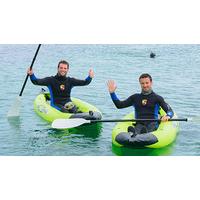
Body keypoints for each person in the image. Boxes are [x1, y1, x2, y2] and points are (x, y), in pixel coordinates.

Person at [107, 73, 174, 136]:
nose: (145, 85)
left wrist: (168, 116)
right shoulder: (135, 97)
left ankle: (143, 134)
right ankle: (133, 133)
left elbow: (170, 111)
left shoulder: (157, 98)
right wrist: (112, 93)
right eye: (142, 83)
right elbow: (119, 105)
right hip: (139, 124)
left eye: (147, 83)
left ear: (151, 83)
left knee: (150, 128)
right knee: (138, 128)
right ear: (140, 84)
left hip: (152, 123)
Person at [27, 60, 94, 113]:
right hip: (56, 104)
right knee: (64, 111)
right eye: (61, 68)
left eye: (65, 68)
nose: (63, 70)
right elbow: (36, 81)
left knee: (76, 111)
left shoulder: (70, 81)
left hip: (68, 103)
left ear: (67, 69)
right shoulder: (50, 80)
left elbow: (85, 82)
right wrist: (31, 74)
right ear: (58, 68)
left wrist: (90, 77)